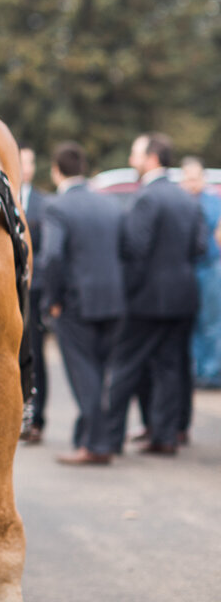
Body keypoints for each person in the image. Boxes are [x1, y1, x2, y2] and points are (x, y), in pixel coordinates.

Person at [103, 133, 206, 456]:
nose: (131, 160)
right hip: (183, 296)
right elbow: (200, 247)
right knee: (170, 368)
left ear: (152, 159)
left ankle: (108, 439)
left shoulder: (146, 197)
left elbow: (135, 249)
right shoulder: (187, 198)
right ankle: (165, 436)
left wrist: (127, 292)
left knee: (125, 367)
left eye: (135, 154)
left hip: (146, 299)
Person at [37, 143, 125, 465]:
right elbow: (128, 250)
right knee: (100, 373)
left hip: (76, 303)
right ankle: (97, 437)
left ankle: (96, 445)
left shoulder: (57, 206)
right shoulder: (110, 204)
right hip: (113, 300)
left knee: (84, 374)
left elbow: (52, 256)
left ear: (56, 170)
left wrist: (53, 300)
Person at [18, 146, 50, 443]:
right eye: (21, 161)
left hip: (33, 291)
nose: (25, 167)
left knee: (35, 354)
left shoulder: (44, 203)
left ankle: (36, 418)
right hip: (2, 291)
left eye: (30, 162)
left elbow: (49, 251)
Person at [181, 157, 221, 389]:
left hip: (210, 268)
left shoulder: (213, 202)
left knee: (211, 322)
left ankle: (212, 372)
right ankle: (194, 371)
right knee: (190, 322)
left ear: (203, 179)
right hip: (186, 269)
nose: (192, 183)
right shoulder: (181, 202)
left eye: (195, 178)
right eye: (188, 179)